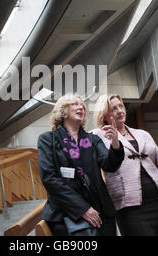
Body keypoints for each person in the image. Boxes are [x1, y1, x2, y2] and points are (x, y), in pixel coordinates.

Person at [92, 94, 158, 236]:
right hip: (129, 207)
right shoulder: (96, 137)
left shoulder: (143, 134)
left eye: (121, 106)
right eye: (114, 109)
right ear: (104, 115)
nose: (120, 110)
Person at [37, 93, 124, 236]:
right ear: (63, 111)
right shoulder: (48, 140)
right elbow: (49, 178)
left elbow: (110, 165)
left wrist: (115, 144)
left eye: (83, 106)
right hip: (67, 213)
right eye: (76, 104)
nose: (81, 108)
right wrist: (82, 208)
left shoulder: (93, 139)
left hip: (101, 211)